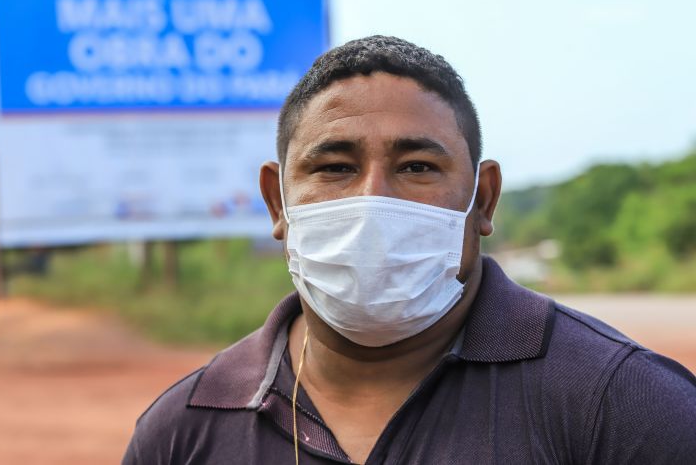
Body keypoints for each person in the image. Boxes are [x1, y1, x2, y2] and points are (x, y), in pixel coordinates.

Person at [123, 36, 696, 464]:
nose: (373, 200)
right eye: (335, 167)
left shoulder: (622, 402)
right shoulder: (186, 428)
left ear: (483, 199)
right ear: (278, 203)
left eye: (418, 167)